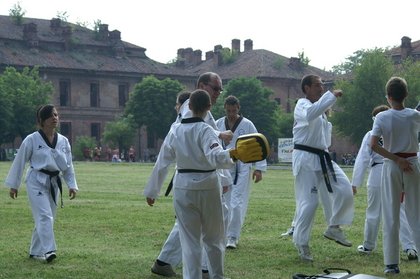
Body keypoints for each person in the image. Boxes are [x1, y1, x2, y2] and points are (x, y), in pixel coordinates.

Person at [144, 72, 233, 278]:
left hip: (183, 185)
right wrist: (234, 155)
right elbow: (216, 156)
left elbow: (163, 160)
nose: (218, 93)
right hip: (208, 184)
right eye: (216, 88)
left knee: (190, 241)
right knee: (214, 239)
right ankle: (215, 275)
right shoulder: (206, 129)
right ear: (207, 105)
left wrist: (152, 190)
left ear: (188, 105)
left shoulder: (175, 129)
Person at [4, 104, 78, 263]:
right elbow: (20, 161)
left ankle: (35, 251)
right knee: (45, 215)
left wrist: (72, 184)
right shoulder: (32, 139)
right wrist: (14, 185)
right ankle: (49, 250)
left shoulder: (63, 141)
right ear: (42, 120)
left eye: (56, 115)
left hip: (53, 182)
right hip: (36, 181)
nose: (55, 118)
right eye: (51, 116)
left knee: (46, 217)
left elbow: (68, 165)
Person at [292, 74, 354, 262]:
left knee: (345, 190)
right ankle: (301, 243)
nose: (321, 88)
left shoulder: (322, 113)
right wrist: (331, 97)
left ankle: (334, 227)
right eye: (318, 85)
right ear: (307, 88)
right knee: (310, 203)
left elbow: (325, 139)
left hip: (322, 157)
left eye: (322, 85)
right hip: (305, 158)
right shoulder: (301, 105)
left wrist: (327, 106)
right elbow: (310, 114)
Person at [352, 105, 417, 260]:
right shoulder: (397, 131)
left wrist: (355, 182)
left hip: (377, 173)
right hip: (397, 170)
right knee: (400, 211)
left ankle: (368, 245)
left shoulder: (370, 135)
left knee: (373, 211)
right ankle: (409, 247)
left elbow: (362, 158)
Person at [370, 77, 420, 275]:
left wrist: (396, 159)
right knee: (416, 212)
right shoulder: (414, 116)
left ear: (388, 97)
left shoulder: (382, 117)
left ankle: (391, 263)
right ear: (406, 95)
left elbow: (373, 145)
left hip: (392, 164)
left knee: (391, 213)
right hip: (413, 164)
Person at [215, 95, 267, 249]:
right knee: (223, 202)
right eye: (228, 110)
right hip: (224, 167)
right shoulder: (218, 123)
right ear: (225, 108)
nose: (231, 113)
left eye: (234, 110)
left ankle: (232, 237)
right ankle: (222, 234)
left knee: (237, 202)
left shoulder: (247, 125)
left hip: (242, 167)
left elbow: (258, 145)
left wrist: (259, 168)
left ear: (238, 109)